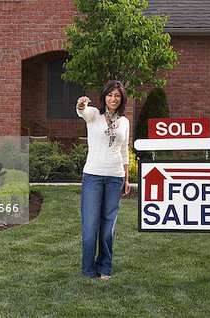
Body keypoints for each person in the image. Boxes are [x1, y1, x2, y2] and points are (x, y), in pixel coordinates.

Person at [76, 80, 130, 280]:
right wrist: (81, 104)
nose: (113, 99)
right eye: (110, 95)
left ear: (121, 99)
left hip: (115, 177)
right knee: (90, 226)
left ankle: (104, 266)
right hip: (93, 176)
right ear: (104, 97)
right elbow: (82, 110)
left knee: (108, 227)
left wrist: (126, 177)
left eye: (117, 95)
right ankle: (88, 269)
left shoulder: (124, 121)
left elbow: (124, 151)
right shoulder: (94, 116)